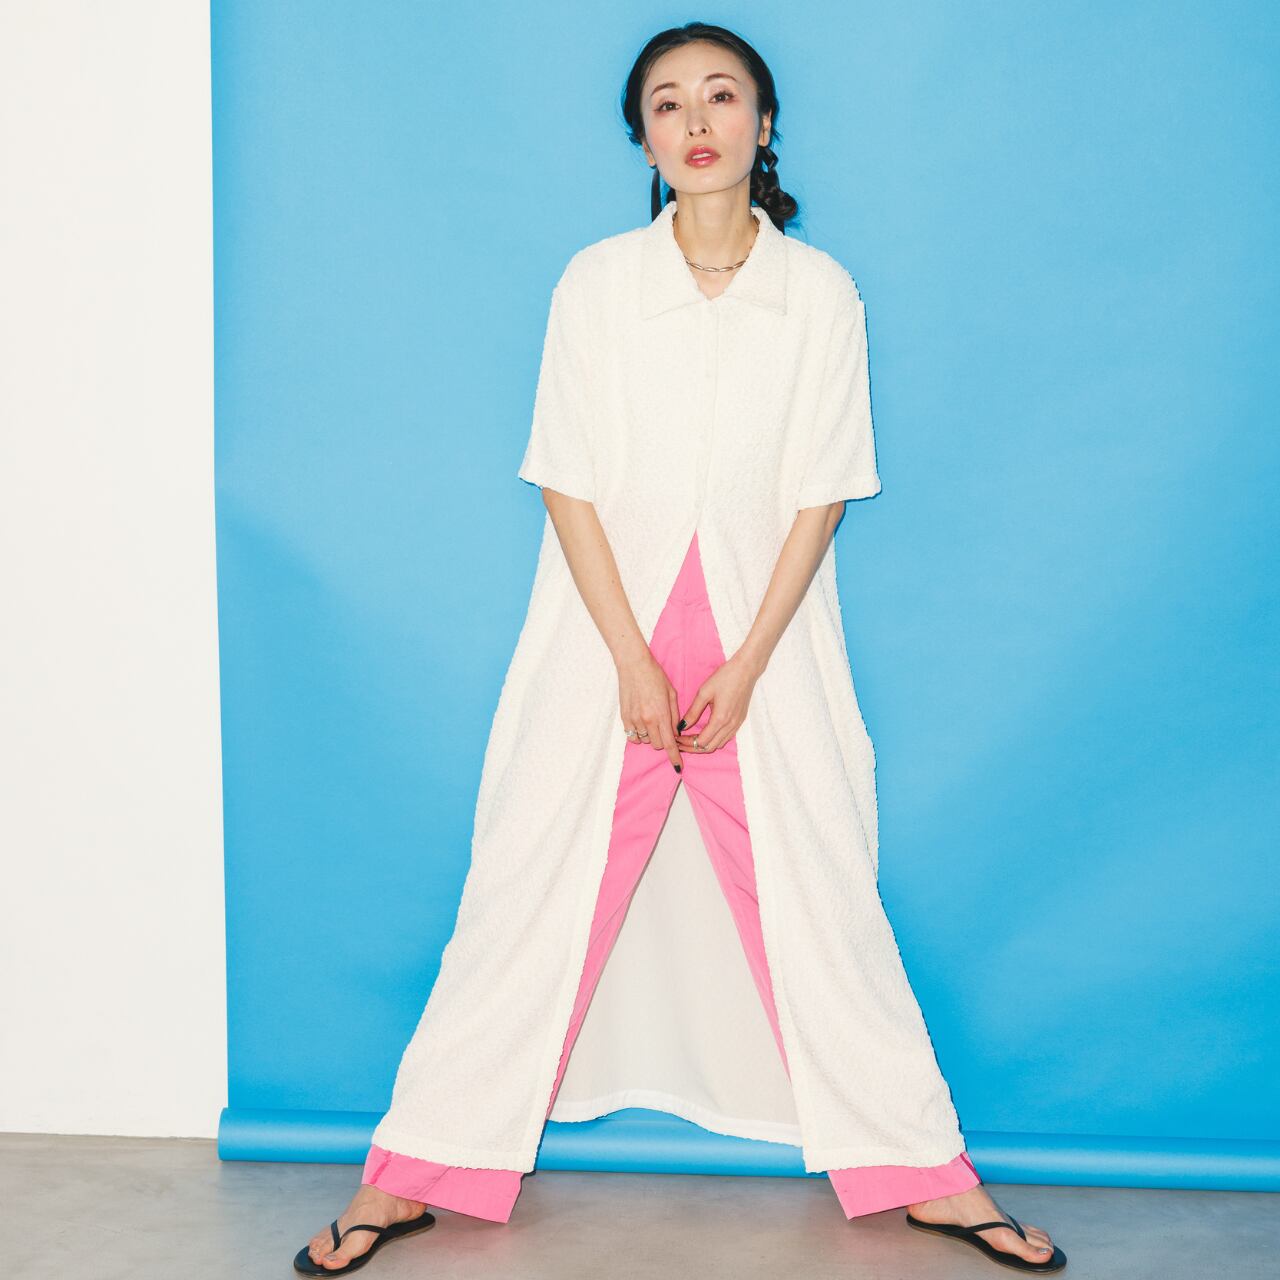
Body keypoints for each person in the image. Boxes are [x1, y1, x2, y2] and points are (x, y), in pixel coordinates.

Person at [297, 22, 1065, 1277]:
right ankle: (413, 1169)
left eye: (721, 96)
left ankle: (925, 1173)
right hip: (605, 646)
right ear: (642, 137)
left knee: (821, 897)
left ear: (764, 123)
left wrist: (746, 663)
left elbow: (822, 489)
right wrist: (630, 661)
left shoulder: (816, 292)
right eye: (667, 103)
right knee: (522, 894)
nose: (697, 120)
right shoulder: (597, 284)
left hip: (763, 653)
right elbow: (566, 478)